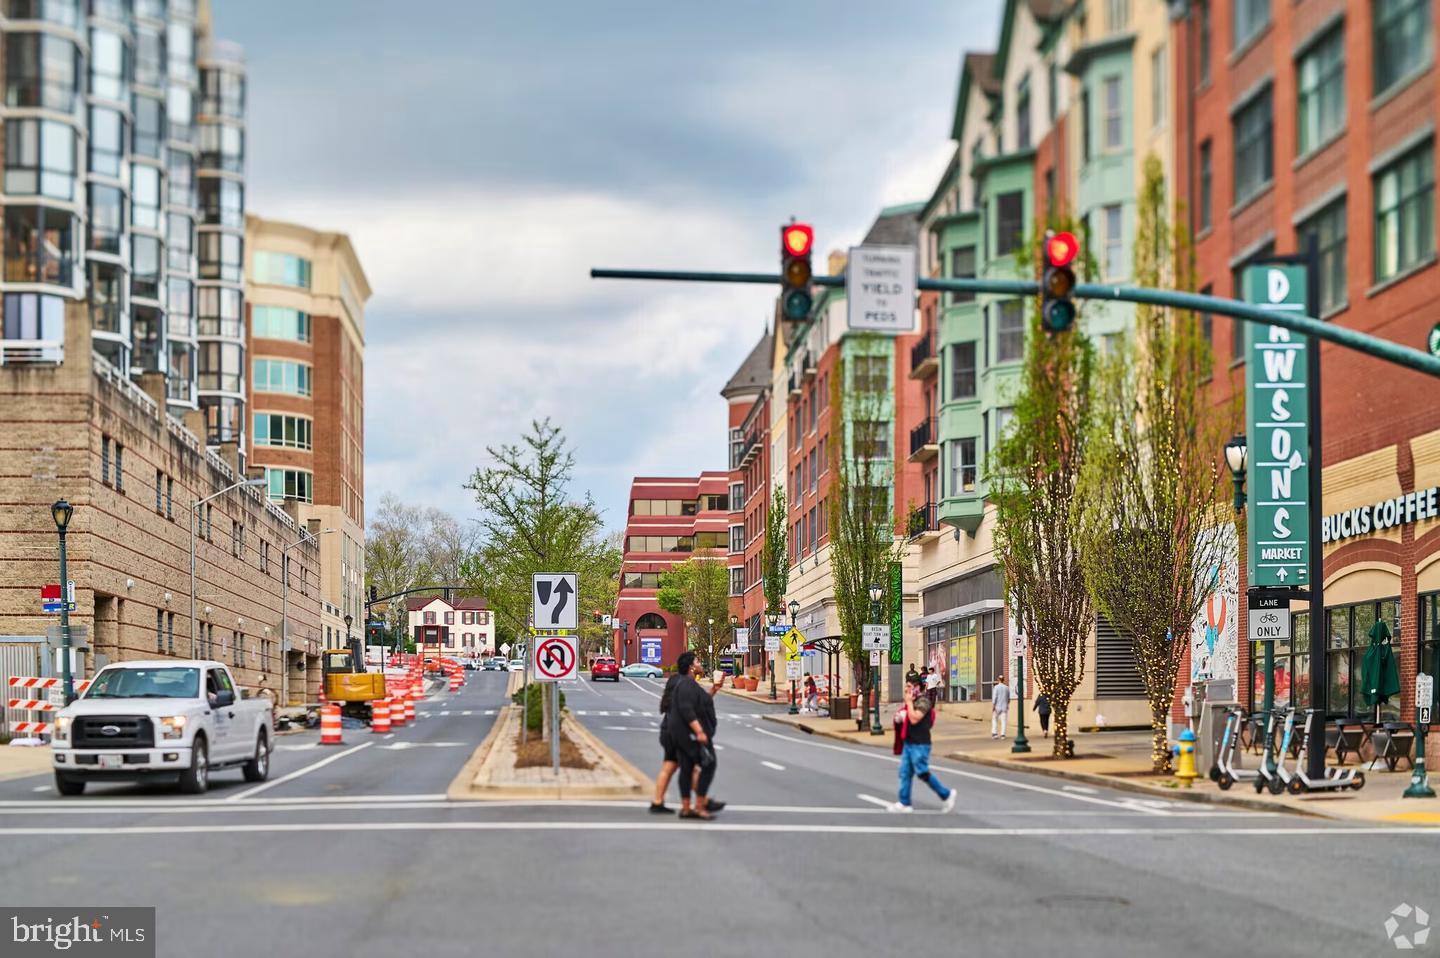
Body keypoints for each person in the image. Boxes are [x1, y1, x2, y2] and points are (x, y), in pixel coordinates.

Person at [667, 651, 722, 820]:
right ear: (691, 667)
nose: (700, 664)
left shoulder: (689, 684)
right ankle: (699, 806)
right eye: (697, 661)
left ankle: (686, 808)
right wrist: (699, 731)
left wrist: (715, 688)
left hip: (683, 734)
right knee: (709, 765)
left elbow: (703, 702)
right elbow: (687, 710)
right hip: (690, 736)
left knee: (687, 769)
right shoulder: (686, 685)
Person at [889, 675, 956, 814]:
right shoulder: (912, 701)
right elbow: (906, 717)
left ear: (917, 687)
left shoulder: (923, 701)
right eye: (906, 686)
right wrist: (900, 717)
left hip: (920, 743)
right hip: (909, 742)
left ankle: (946, 794)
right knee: (904, 773)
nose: (906, 690)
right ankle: (904, 803)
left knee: (922, 772)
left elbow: (914, 719)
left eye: (909, 687)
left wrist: (908, 705)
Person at [991, 674, 1011, 739]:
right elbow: (1008, 698)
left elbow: (995, 697)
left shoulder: (996, 687)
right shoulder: (1007, 688)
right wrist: (1007, 705)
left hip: (997, 706)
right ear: (1003, 680)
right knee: (1003, 721)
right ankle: (1003, 734)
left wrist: (993, 705)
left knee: (994, 720)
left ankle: (994, 734)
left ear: (998, 680)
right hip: (1004, 707)